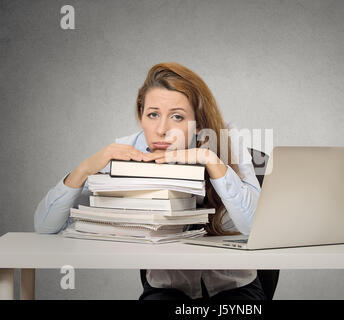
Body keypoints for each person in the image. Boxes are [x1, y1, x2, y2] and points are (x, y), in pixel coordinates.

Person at [34, 62, 266, 300]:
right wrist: (83, 170)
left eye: (177, 116)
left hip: (235, 286)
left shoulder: (227, 142)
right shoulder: (128, 150)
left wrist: (209, 159)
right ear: (141, 114)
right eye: (153, 114)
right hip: (166, 287)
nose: (162, 129)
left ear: (198, 121)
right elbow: (45, 226)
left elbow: (256, 227)